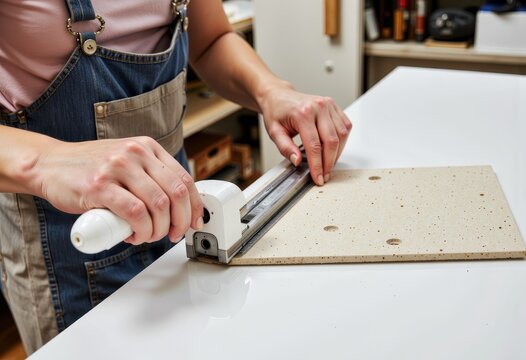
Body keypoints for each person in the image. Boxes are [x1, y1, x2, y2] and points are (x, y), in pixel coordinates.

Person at [0, 0, 351, 354]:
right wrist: (47, 162)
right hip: (68, 254)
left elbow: (211, 39)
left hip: (180, 227)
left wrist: (271, 89)